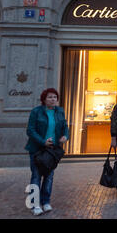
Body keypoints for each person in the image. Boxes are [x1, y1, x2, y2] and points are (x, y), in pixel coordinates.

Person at [25, 88, 69, 216]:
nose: (53, 99)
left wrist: (65, 136)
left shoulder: (60, 111)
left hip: (52, 150)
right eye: (50, 97)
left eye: (55, 97)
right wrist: (43, 141)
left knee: (49, 177)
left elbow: (65, 127)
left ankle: (46, 202)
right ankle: (34, 205)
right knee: (36, 176)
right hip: (37, 149)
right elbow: (30, 130)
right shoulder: (36, 112)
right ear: (44, 99)